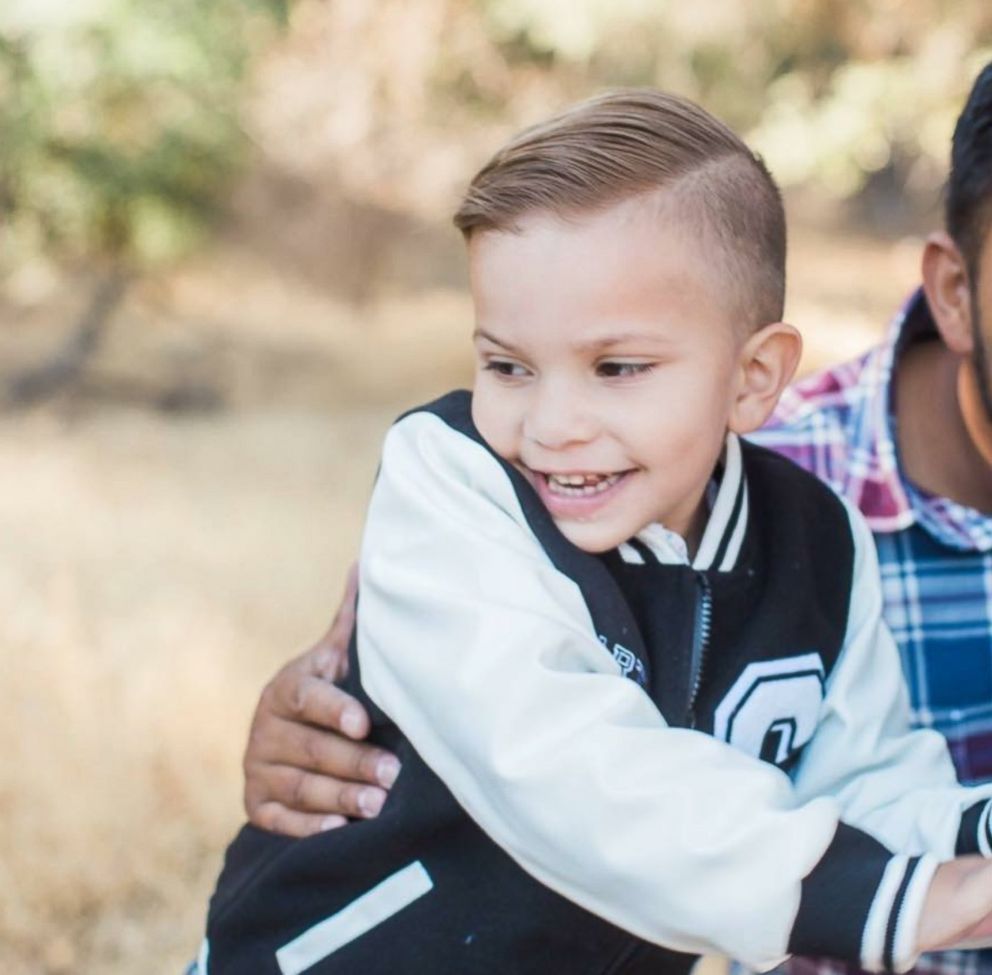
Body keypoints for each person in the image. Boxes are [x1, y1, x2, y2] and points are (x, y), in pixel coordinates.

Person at [201, 89, 992, 975]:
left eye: (617, 368)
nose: (552, 425)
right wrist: (920, 900)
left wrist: (971, 846)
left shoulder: (819, 543)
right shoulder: (454, 488)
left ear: (754, 376)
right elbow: (567, 770)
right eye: (508, 364)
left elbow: (867, 785)